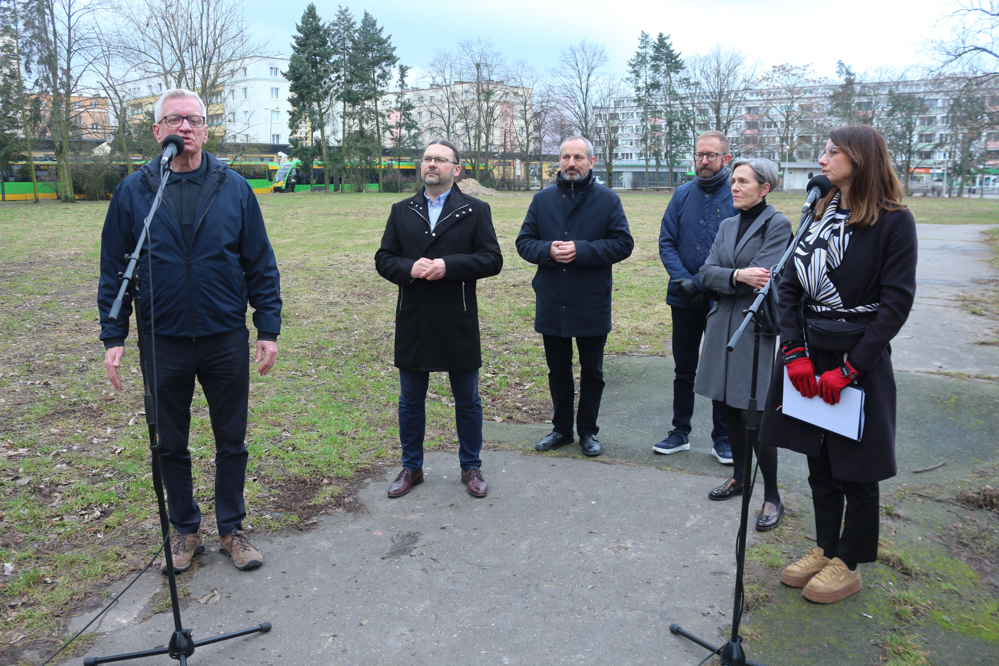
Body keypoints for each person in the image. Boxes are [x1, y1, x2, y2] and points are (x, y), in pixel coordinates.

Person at [98, 89, 282, 573]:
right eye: (174, 120)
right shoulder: (134, 192)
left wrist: (268, 326)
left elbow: (260, 262)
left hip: (223, 334)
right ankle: (184, 531)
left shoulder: (234, 187)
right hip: (162, 339)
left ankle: (231, 529)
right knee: (168, 442)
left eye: (194, 120)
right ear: (158, 132)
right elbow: (115, 269)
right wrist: (113, 336)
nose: (185, 128)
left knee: (231, 439)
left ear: (205, 130)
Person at [759, 125, 917, 603]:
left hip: (858, 359)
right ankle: (826, 546)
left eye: (833, 152)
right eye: (824, 151)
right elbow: (788, 285)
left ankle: (850, 562)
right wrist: (795, 353)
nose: (823, 160)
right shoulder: (818, 212)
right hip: (810, 354)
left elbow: (895, 304)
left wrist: (851, 369)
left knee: (856, 468)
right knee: (819, 460)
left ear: (861, 158)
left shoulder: (893, 221)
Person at [374, 139, 503, 499]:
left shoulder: (475, 210)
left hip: (457, 317)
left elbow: (492, 259)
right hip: (413, 317)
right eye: (428, 159)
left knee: (468, 399)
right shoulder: (402, 210)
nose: (432, 164)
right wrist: (408, 267)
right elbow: (384, 258)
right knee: (410, 399)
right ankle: (411, 468)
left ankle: (471, 466)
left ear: (456, 169)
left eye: (441, 160)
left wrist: (449, 266)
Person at [516, 136, 634, 457]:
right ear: (559, 160)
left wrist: (581, 250)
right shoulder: (542, 201)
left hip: (591, 300)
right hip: (552, 300)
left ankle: (588, 431)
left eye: (578, 157)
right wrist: (548, 250)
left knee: (592, 371)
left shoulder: (608, 200)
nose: (571, 163)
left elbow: (623, 243)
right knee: (558, 371)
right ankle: (561, 429)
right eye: (566, 157)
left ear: (591, 162)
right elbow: (524, 242)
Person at [695, 158, 790, 531]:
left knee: (755, 414)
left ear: (764, 188)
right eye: (733, 180)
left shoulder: (778, 225)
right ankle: (738, 476)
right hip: (722, 327)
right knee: (728, 407)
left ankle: (771, 494)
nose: (734, 186)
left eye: (742, 181)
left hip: (755, 327)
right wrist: (736, 274)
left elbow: (765, 276)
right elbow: (705, 272)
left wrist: (728, 276)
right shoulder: (727, 224)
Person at [656, 130, 734, 463]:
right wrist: (682, 280)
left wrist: (704, 283)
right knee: (684, 367)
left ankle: (723, 436)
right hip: (683, 298)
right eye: (699, 155)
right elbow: (666, 241)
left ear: (725, 159)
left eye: (711, 156)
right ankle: (680, 431)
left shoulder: (737, 194)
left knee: (721, 369)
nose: (703, 161)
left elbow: (738, 249)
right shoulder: (682, 194)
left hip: (724, 299)